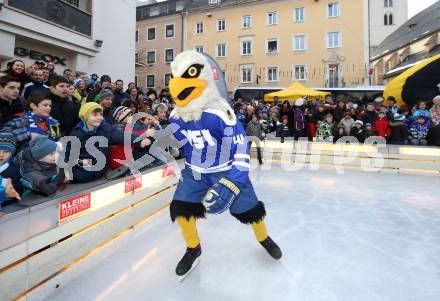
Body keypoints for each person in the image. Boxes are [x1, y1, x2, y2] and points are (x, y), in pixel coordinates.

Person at [168, 51, 281, 280]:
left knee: (250, 210)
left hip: (225, 169)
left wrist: (233, 180)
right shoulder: (175, 116)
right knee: (182, 208)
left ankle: (263, 237)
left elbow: (240, 148)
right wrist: (158, 140)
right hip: (195, 172)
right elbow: (179, 142)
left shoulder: (219, 112)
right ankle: (193, 248)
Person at [64, 103, 152, 183]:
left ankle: (66, 178)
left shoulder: (105, 129)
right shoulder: (77, 133)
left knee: (82, 173)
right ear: (85, 117)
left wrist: (139, 140)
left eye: (101, 114)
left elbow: (121, 136)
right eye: (95, 115)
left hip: (97, 167)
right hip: (82, 163)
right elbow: (69, 152)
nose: (99, 117)